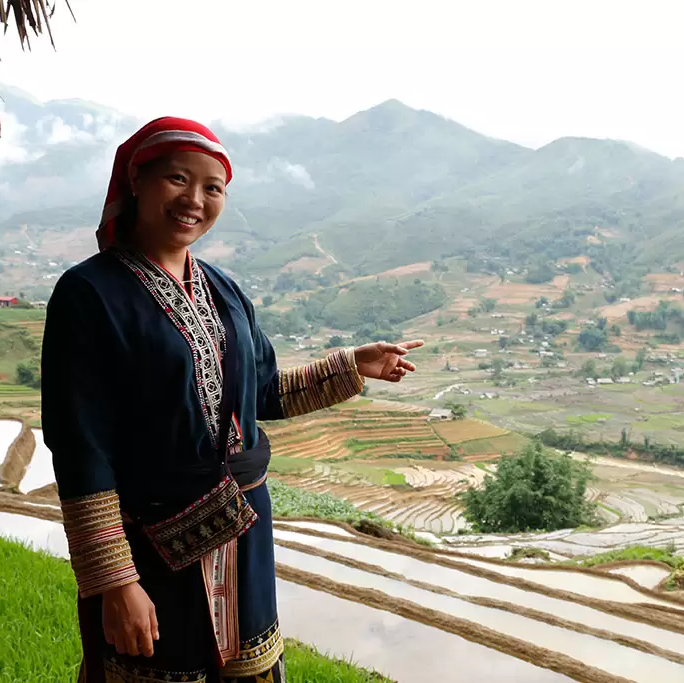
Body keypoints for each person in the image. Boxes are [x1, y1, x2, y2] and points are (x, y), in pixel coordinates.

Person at [41, 116, 422, 682]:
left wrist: (351, 366)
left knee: (252, 667)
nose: (194, 199)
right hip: (152, 545)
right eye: (176, 179)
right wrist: (117, 584)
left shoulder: (223, 288)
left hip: (245, 532)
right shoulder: (89, 294)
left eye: (212, 188)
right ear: (135, 182)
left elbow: (262, 393)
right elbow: (81, 450)